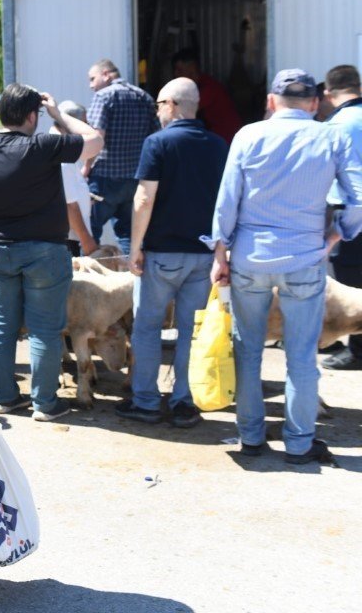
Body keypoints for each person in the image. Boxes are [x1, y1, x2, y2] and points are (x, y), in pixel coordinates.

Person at [209, 69, 362, 466]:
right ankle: (299, 443)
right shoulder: (331, 136)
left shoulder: (248, 135)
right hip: (305, 258)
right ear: (315, 103)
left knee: (248, 351)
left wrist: (220, 253)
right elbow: (357, 197)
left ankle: (252, 438)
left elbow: (227, 200)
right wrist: (337, 235)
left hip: (249, 258)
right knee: (300, 357)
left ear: (271, 101)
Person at [0, 84, 102, 421]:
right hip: (45, 251)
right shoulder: (43, 146)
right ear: (31, 116)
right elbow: (95, 140)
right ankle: (45, 403)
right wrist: (59, 114)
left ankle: (5, 398)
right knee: (44, 329)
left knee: (1, 324)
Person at [119, 78, 227, 428]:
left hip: (161, 256)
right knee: (191, 331)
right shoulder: (218, 146)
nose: (157, 111)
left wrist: (135, 248)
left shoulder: (158, 143)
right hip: (203, 255)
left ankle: (147, 402)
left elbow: (144, 198)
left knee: (147, 329)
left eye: (159, 104)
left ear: (173, 105)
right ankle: (184, 402)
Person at [86, 58, 159, 254]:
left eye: (93, 79)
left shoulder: (103, 97)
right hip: (133, 180)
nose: (91, 85)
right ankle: (131, 276)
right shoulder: (144, 97)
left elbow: (96, 137)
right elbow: (154, 139)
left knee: (90, 232)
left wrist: (85, 168)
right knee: (129, 233)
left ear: (106, 74)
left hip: (104, 179)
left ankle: (92, 278)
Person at [321, 64, 362, 371]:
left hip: (352, 214)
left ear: (327, 93)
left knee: (353, 284)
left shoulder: (338, 124)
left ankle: (358, 350)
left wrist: (339, 230)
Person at [171, 47, 242, 143]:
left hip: (226, 140)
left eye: (179, 70)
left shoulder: (208, 88)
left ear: (192, 68)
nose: (176, 74)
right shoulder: (198, 86)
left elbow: (184, 111)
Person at [57, 101, 96, 257]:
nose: (86, 127)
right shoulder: (61, 153)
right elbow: (69, 205)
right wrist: (86, 239)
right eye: (84, 123)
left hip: (71, 237)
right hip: (69, 240)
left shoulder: (64, 148)